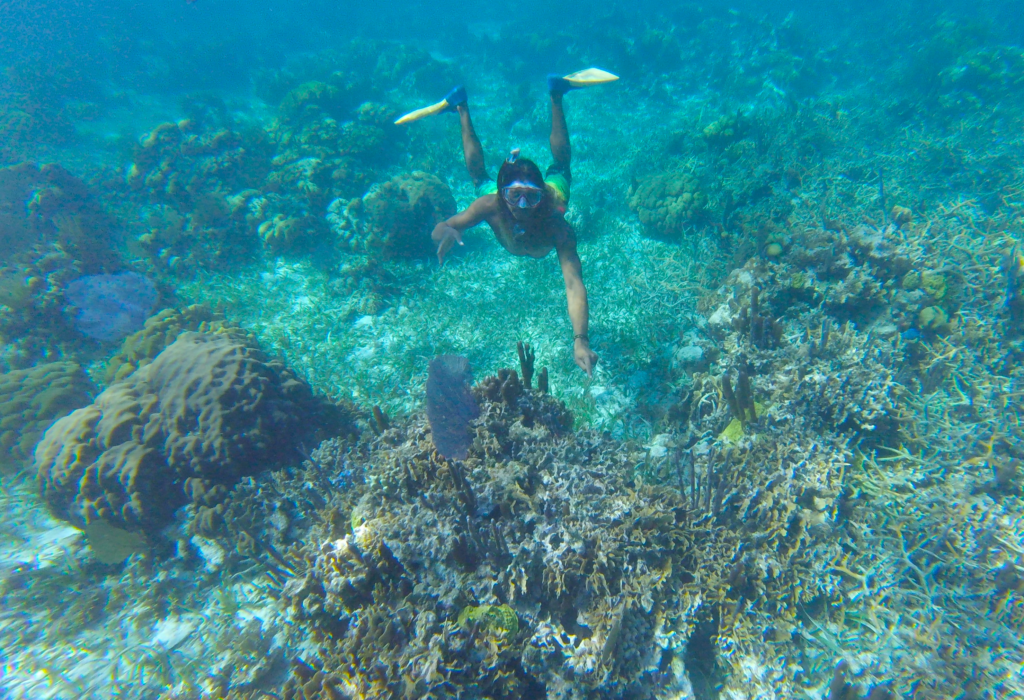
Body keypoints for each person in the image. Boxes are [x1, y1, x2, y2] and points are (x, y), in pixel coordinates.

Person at [396, 69, 617, 377]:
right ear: (502, 195)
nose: (524, 206)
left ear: (543, 195)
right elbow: (443, 228)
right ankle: (461, 107)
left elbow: (573, 283)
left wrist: (581, 340)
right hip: (493, 195)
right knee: (480, 179)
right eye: (515, 195)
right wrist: (448, 229)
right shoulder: (490, 205)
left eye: (531, 196)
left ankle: (555, 96)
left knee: (561, 169)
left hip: (548, 200)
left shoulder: (556, 223)